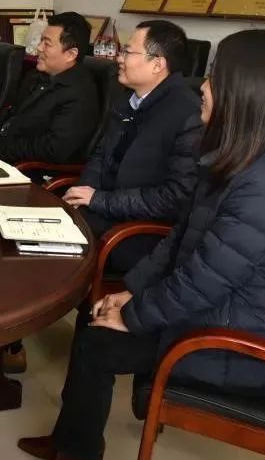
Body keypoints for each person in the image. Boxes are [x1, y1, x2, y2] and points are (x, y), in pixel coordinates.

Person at [9, 29, 265, 460]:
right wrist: (132, 290)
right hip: (219, 315)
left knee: (100, 339)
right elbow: (181, 239)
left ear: (247, 92)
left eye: (214, 77)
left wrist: (134, 315)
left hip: (246, 347)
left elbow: (203, 281)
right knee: (100, 315)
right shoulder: (237, 157)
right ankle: (70, 447)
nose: (203, 87)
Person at [63, 20, 202, 274]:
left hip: (139, 232)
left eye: (127, 52)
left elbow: (174, 198)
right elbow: (100, 155)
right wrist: (83, 194)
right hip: (103, 211)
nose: (119, 58)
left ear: (157, 64)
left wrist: (100, 200)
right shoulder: (129, 99)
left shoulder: (188, 114)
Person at [0, 12, 99, 167]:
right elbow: (11, 114)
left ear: (71, 54)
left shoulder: (80, 94)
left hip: (30, 170)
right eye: (41, 41)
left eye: (47, 44)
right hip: (3, 157)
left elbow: (53, 149)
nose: (39, 48)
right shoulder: (36, 76)